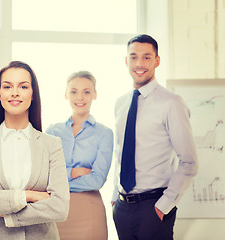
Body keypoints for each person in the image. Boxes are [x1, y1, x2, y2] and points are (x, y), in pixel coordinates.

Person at [0, 61, 70, 240]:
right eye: (7, 86)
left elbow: (60, 207)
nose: (15, 92)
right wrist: (29, 196)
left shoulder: (52, 145)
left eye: (23, 86)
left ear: (33, 94)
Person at [112, 34, 198, 240]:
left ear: (157, 61)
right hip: (123, 209)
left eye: (147, 57)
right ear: (126, 61)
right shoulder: (121, 103)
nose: (139, 63)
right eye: (133, 57)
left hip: (154, 207)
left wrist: (163, 206)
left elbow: (189, 162)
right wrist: (115, 197)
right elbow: (121, 153)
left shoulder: (172, 102)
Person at [46, 71, 113, 240]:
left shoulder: (104, 133)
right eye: (74, 91)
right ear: (66, 94)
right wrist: (74, 172)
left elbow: (97, 180)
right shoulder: (52, 132)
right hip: (55, 211)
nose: (80, 97)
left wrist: (58, 181)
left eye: (87, 91)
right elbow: (44, 175)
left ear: (95, 95)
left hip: (89, 210)